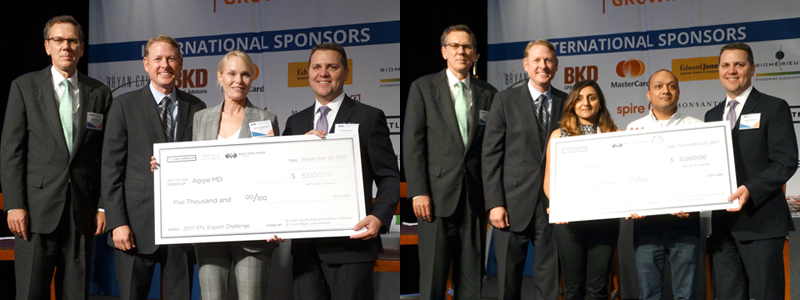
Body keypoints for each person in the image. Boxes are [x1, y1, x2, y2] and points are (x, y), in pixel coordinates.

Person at [0, 15, 112, 300]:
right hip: (35, 214)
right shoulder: (24, 87)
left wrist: (102, 206)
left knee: (76, 293)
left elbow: (105, 155)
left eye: (72, 41)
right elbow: (12, 152)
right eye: (59, 40)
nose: (66, 47)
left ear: (82, 47)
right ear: (47, 46)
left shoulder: (99, 92)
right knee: (30, 292)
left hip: (82, 213)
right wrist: (14, 204)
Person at [282, 42, 400, 300]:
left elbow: (389, 176)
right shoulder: (295, 123)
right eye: (317, 67)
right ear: (309, 72)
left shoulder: (369, 118)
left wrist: (379, 218)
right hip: (305, 252)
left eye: (332, 67)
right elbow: (282, 179)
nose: (323, 73)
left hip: (351, 247)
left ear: (345, 72)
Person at [102, 35, 207, 300]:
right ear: (146, 64)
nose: (165, 65)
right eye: (158, 59)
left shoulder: (198, 108)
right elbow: (111, 168)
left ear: (181, 64)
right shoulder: (123, 106)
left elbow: (205, 163)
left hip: (181, 230)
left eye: (171, 58)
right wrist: (118, 223)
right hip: (135, 228)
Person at [403, 24, 497, 300]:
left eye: (467, 47)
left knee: (471, 280)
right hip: (435, 197)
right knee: (433, 276)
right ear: (444, 52)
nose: (461, 51)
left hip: (474, 198)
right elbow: (413, 143)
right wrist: (418, 191)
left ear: (475, 53)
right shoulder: (422, 88)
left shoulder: (488, 93)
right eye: (454, 46)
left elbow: (490, 149)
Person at [704, 42, 797, 300]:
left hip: (761, 223)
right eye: (725, 65)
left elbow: (786, 161)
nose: (731, 71)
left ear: (752, 69)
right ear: (718, 71)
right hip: (723, 228)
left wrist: (749, 188)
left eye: (739, 64)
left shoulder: (773, 107)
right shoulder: (711, 115)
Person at [482, 39, 564, 300]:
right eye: (537, 60)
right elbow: (491, 155)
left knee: (550, 282)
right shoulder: (504, 100)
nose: (543, 66)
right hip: (511, 205)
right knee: (508, 282)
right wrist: (495, 203)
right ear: (526, 65)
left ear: (556, 65)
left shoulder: (567, 101)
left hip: (553, 205)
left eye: (548, 60)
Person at [626, 70, 703, 300]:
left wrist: (694, 201)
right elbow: (628, 176)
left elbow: (704, 175)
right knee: (649, 294)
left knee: (685, 295)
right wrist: (632, 203)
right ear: (648, 94)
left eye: (671, 86)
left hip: (686, 223)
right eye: (659, 86)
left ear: (678, 92)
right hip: (647, 225)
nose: (665, 91)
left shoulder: (697, 127)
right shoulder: (633, 129)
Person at [543, 79, 620, 300]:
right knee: (573, 288)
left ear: (600, 103)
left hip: (605, 221)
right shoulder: (558, 136)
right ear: (571, 104)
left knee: (597, 290)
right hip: (569, 223)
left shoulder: (615, 134)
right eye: (579, 98)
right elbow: (549, 181)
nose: (585, 103)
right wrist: (558, 204)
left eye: (591, 98)